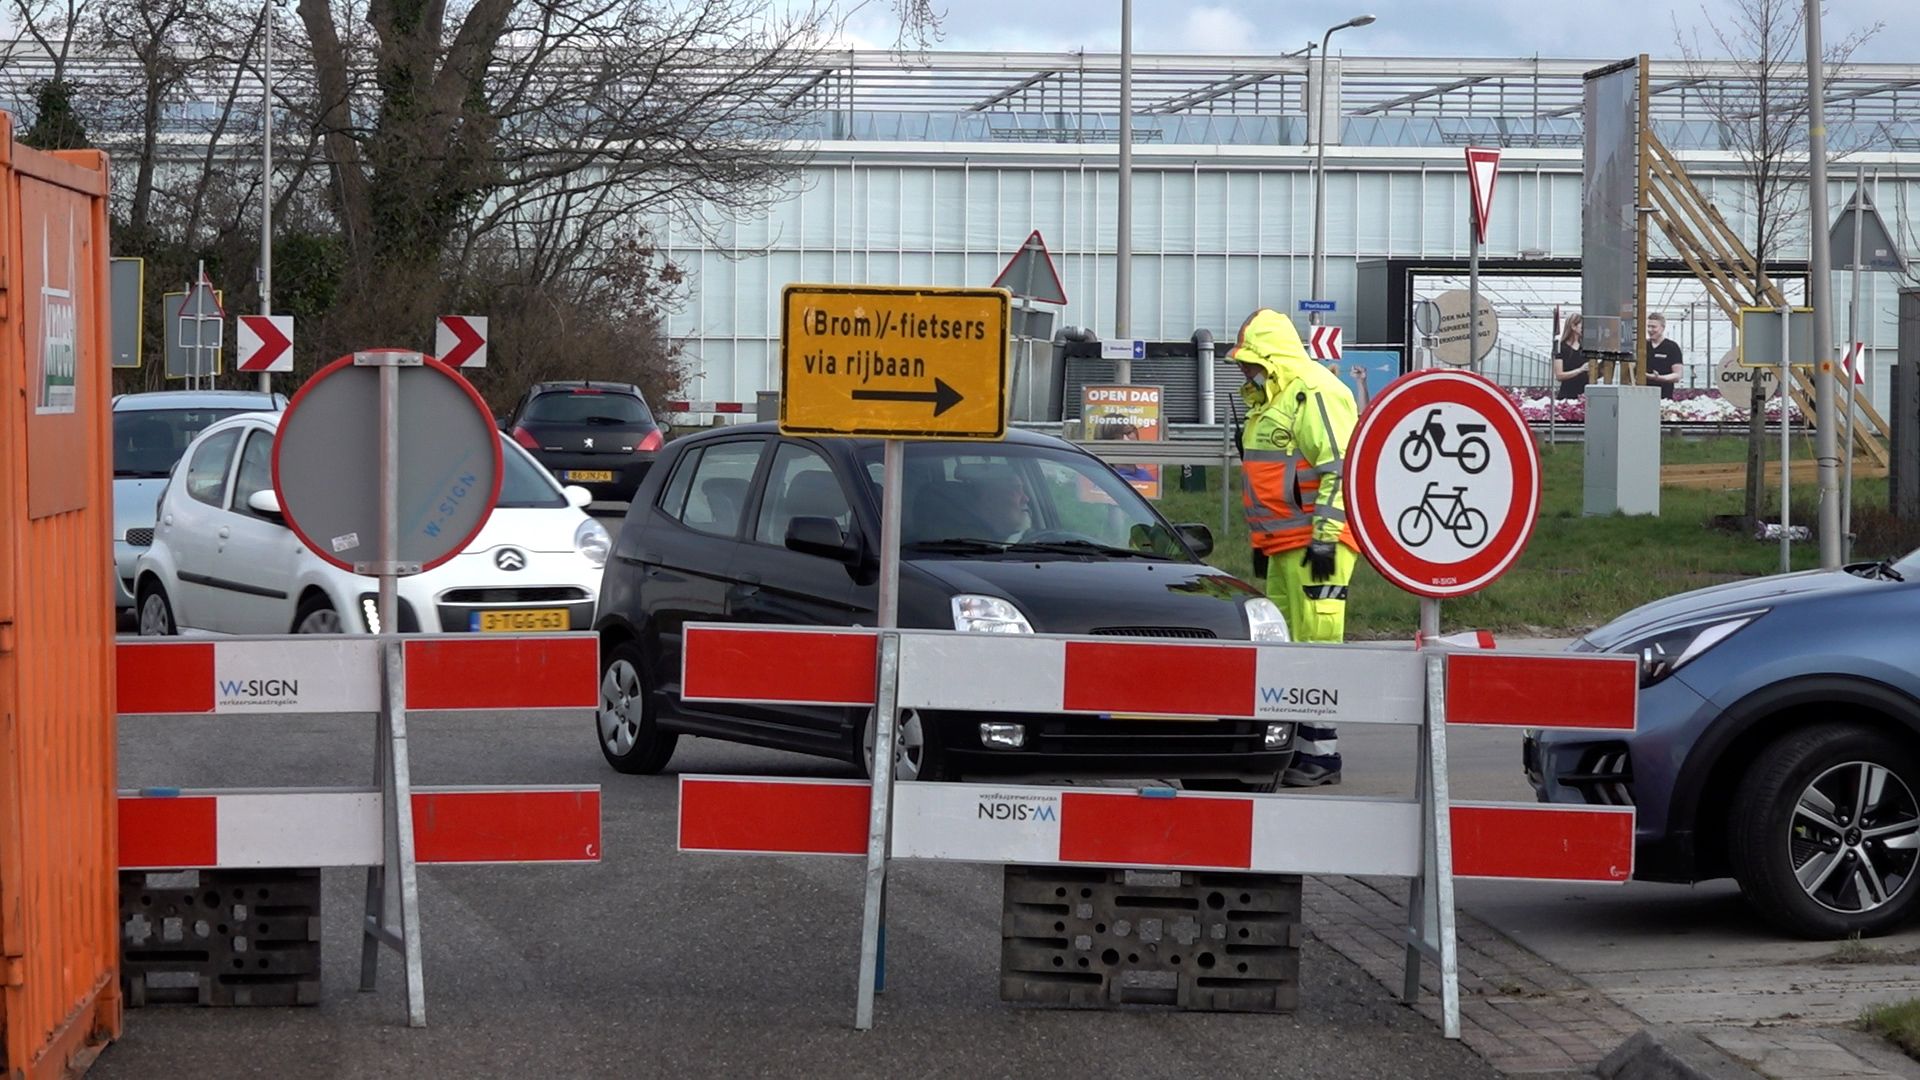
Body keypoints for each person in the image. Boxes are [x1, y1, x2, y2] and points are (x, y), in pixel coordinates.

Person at [1230, 308, 1360, 788]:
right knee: (1287, 649)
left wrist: (1324, 541)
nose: (1244, 369)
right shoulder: (1273, 397)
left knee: (1316, 647)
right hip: (1286, 544)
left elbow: (1339, 469)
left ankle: (1322, 756)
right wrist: (1263, 542)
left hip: (1314, 544)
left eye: (1250, 361)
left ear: (1273, 356)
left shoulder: (1314, 391)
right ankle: (1295, 749)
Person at [966, 471, 1031, 541]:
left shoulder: (1029, 538)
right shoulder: (966, 540)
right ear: (989, 499)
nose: (1026, 499)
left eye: (1022, 489)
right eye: (1016, 489)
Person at [1645, 312, 1683, 400]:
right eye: (1648, 326)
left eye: (1654, 327)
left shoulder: (1672, 347)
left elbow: (1677, 375)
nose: (1650, 330)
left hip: (1664, 397)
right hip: (1642, 395)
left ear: (1662, 328)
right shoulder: (1642, 346)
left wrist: (1659, 378)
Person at [1553, 314, 1588, 400]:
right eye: (1582, 325)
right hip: (1567, 397)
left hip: (1585, 397)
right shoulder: (1560, 347)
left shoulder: (1586, 348)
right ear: (1573, 326)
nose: (1584, 328)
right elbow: (1559, 376)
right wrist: (1580, 370)